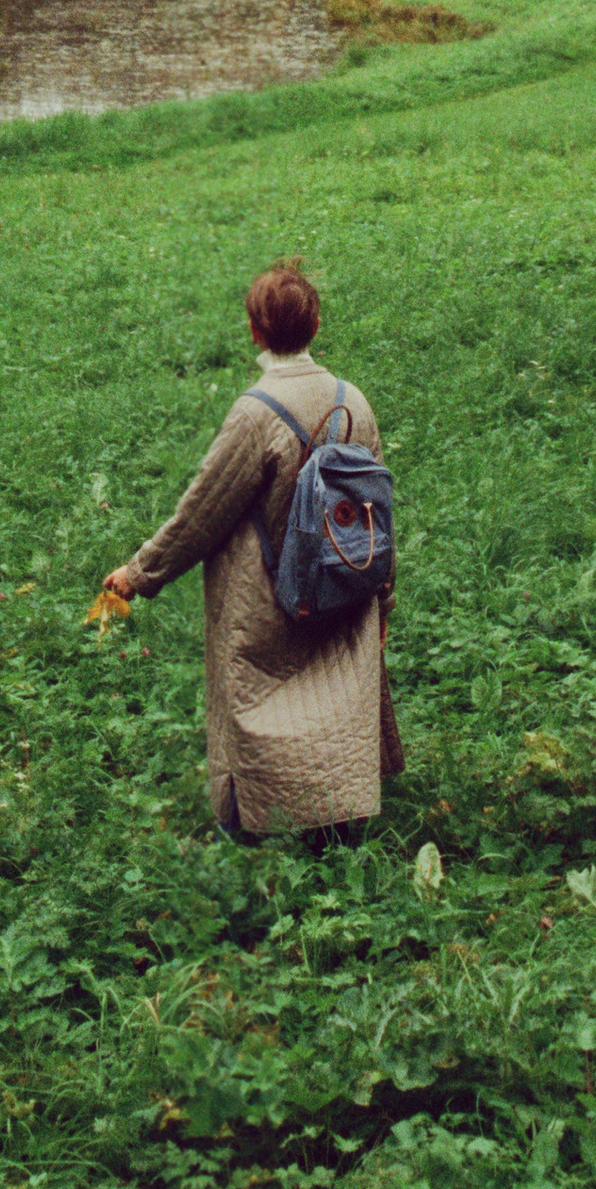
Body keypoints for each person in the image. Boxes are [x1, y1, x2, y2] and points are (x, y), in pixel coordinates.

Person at [102, 257, 402, 842]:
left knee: (263, 710)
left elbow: (200, 514)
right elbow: (377, 515)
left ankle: (252, 837)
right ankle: (339, 831)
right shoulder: (354, 402)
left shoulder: (255, 414)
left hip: (269, 603)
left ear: (255, 332)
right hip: (345, 590)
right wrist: (383, 598)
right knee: (334, 702)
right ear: (315, 326)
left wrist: (137, 574)